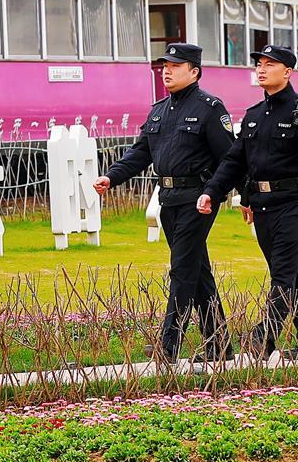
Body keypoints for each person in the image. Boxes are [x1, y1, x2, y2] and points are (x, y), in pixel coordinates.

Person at [196, 44, 298, 362]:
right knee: (293, 273)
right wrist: (215, 192)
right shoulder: (252, 117)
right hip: (262, 204)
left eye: (270, 64)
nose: (261, 69)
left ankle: (264, 339)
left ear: (288, 72)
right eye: (259, 64)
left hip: (293, 202)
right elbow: (235, 162)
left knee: (282, 273)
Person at [93, 42, 235, 364]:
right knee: (197, 270)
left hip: (198, 200)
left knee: (182, 270)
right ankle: (219, 344)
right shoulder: (159, 110)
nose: (166, 71)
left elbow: (230, 158)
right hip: (168, 198)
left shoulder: (210, 108)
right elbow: (140, 152)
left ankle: (168, 345)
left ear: (194, 72)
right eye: (165, 65)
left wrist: (232, 195)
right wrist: (112, 177)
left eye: (175, 66)